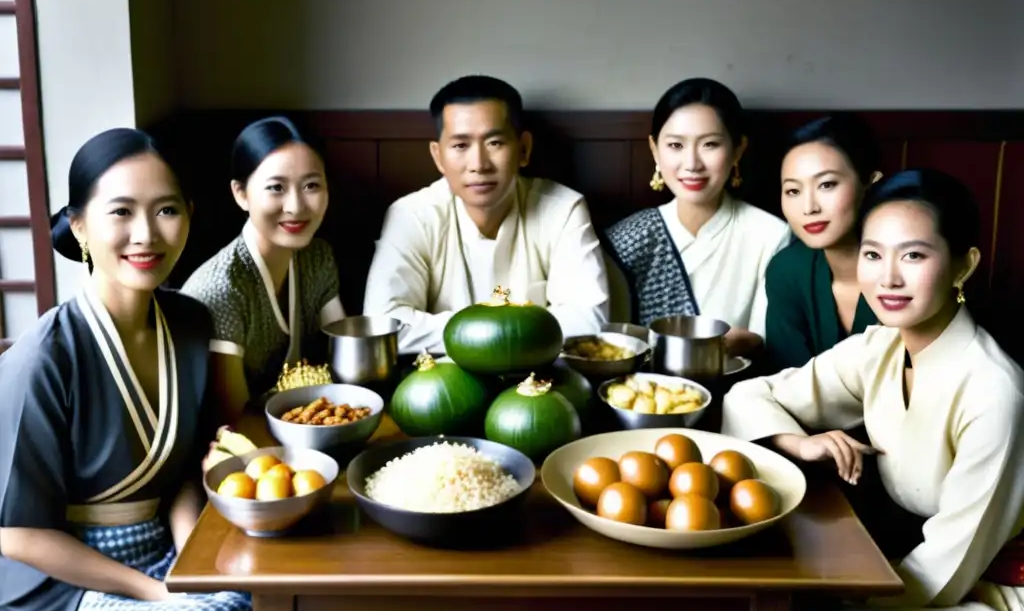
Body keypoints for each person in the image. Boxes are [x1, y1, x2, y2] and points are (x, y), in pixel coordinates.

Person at [722, 169, 1024, 611]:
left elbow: (947, 568)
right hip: (913, 571)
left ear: (964, 265)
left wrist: (837, 602)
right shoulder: (878, 349)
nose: (888, 277)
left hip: (997, 591)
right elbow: (748, 395)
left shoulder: (995, 391)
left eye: (914, 255)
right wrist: (799, 443)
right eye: (872, 254)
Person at [0, 128, 251, 611]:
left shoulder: (190, 322)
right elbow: (17, 536)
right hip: (63, 584)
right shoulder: (44, 356)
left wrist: (190, 561)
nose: (146, 234)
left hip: (162, 550)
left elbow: (181, 473)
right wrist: (158, 593)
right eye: (121, 212)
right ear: (78, 226)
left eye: (166, 210)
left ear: (189, 216)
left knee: (270, 599)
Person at [363, 74, 609, 355]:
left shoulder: (563, 209)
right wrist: (512, 331)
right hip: (441, 381)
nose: (478, 164)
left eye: (494, 143)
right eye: (460, 145)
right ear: (438, 157)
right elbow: (383, 325)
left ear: (524, 149)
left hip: (539, 380)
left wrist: (463, 335)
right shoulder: (411, 215)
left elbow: (589, 320)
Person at [604, 78, 790, 357]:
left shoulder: (770, 235)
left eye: (710, 144)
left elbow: (766, 341)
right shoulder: (625, 238)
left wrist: (740, 344)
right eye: (676, 145)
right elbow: (611, 343)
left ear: (737, 150)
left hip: (736, 387)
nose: (692, 164)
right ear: (655, 150)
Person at [182, 116, 344, 415]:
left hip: (307, 431)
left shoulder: (317, 257)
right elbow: (233, 415)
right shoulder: (221, 289)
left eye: (311, 185)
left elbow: (343, 363)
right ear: (241, 194)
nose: (295, 206)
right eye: (276, 188)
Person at [765, 116, 882, 371]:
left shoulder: (907, 269)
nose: (809, 208)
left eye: (827, 185)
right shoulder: (787, 270)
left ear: (870, 183)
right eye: (793, 191)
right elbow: (786, 383)